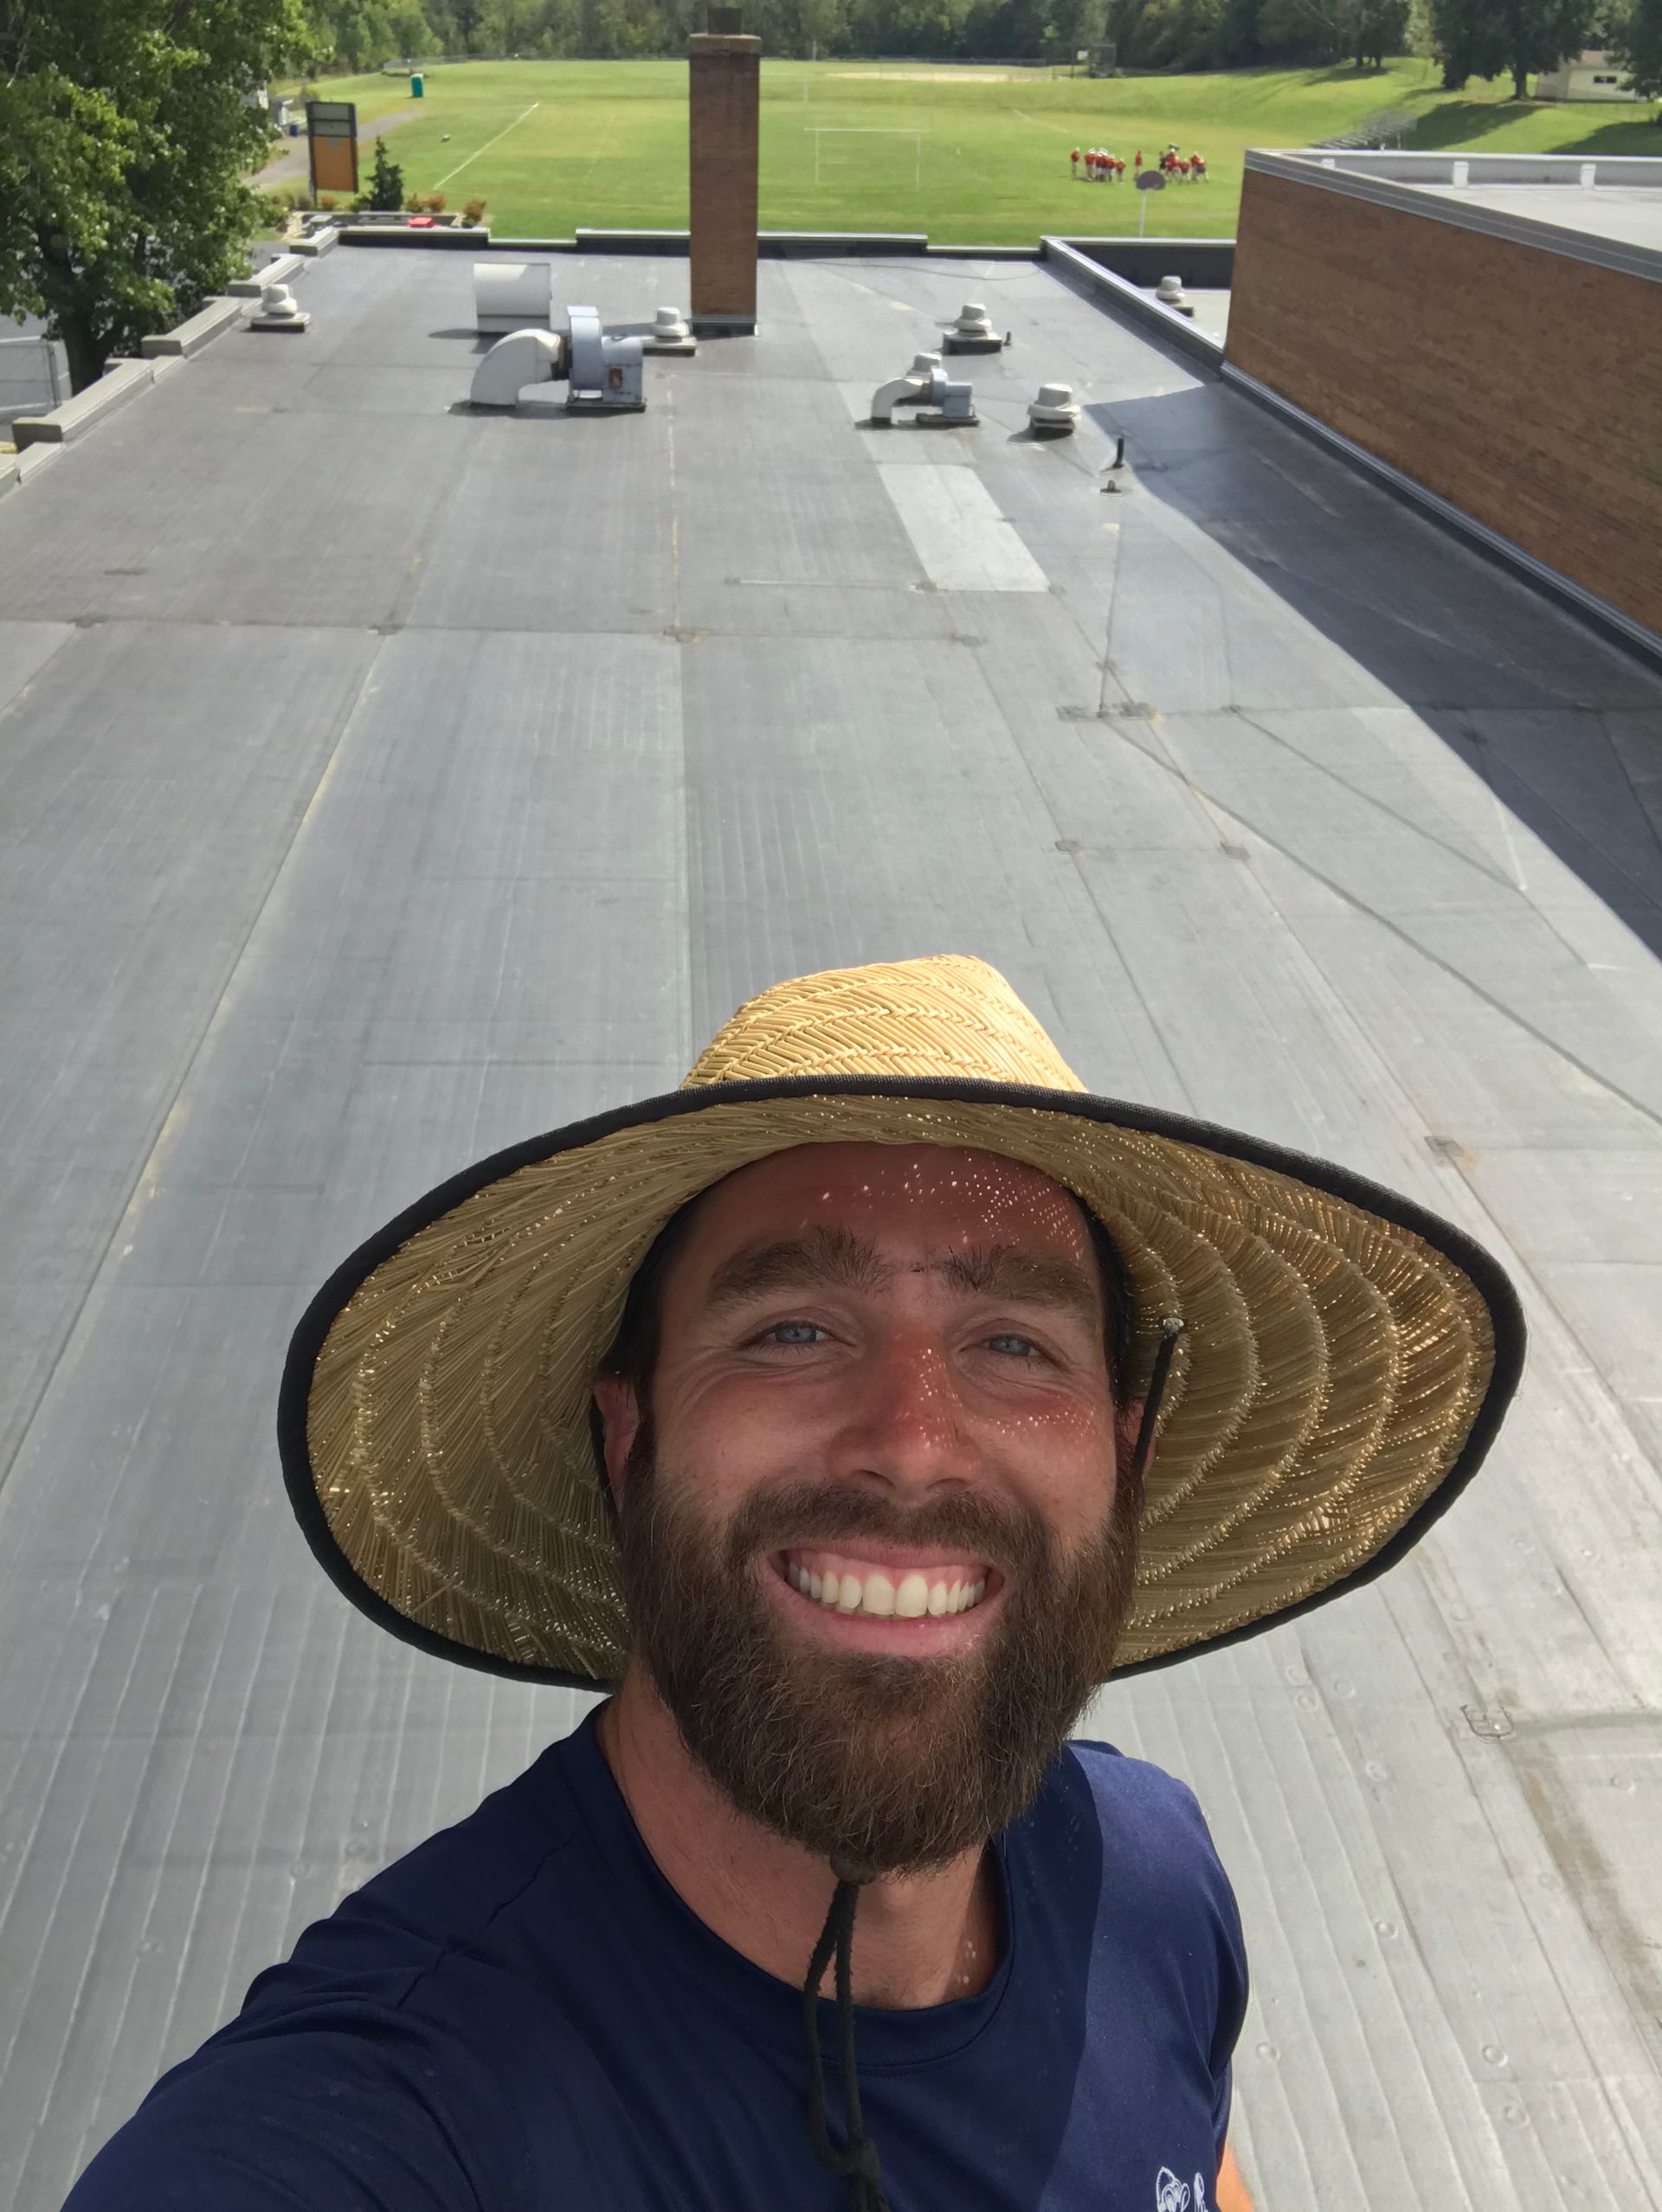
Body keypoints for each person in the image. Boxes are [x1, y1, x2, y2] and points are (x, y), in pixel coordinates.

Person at [61, 955, 1523, 2212]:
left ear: (1126, 1458)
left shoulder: (1148, 1884)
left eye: (1015, 1344)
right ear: (627, 1440)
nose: (913, 1443)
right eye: (793, 1332)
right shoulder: (388, 2122)